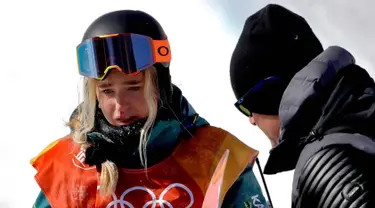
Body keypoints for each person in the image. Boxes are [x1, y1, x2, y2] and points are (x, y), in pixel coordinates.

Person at [31, 10, 269, 208]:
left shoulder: (216, 157)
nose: (120, 106)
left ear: (159, 86)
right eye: (107, 91)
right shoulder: (68, 167)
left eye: (133, 87)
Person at [229, 4, 375, 208]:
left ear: (269, 96)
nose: (251, 120)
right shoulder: (359, 118)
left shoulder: (326, 168)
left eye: (247, 106)